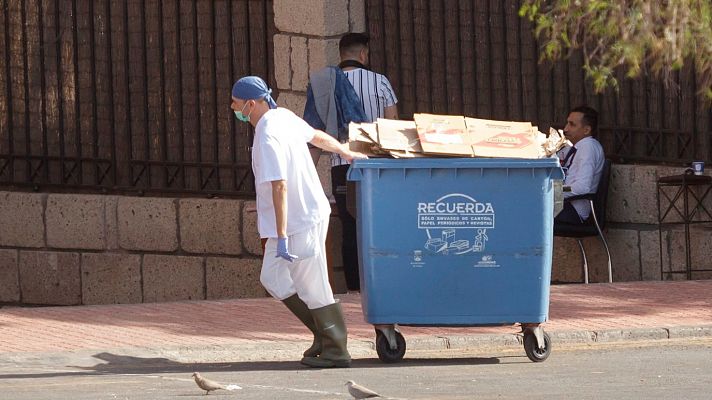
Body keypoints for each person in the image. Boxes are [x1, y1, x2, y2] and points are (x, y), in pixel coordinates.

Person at [231, 76, 367, 368]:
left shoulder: (267, 133)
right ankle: (321, 333)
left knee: (312, 284)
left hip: (298, 220)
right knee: (272, 276)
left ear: (252, 104)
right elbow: (316, 136)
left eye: (237, 103)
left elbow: (279, 184)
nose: (233, 107)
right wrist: (344, 150)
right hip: (299, 216)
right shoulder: (283, 118)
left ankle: (336, 349)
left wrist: (280, 236)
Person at [555, 105, 605, 225]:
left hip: (574, 211)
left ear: (586, 130)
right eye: (567, 123)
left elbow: (581, 187)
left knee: (524, 212)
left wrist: (555, 192)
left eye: (572, 125)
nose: (565, 129)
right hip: (564, 205)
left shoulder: (588, 147)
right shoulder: (576, 147)